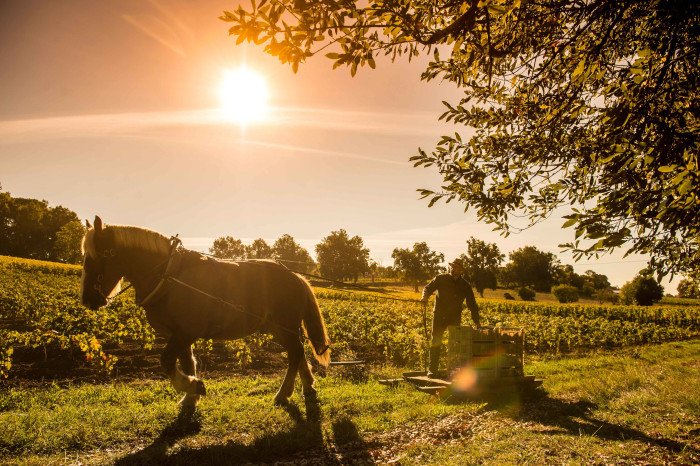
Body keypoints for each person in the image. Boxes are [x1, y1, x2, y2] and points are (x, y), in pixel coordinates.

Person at [420, 258, 481, 377]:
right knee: (435, 343)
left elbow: (472, 305)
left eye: (456, 267)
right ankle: (432, 371)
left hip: (454, 318)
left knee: (455, 345)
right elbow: (427, 288)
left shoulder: (465, 286)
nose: (453, 269)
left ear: (461, 270)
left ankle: (454, 370)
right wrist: (425, 297)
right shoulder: (440, 278)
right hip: (439, 316)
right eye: (452, 267)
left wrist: (477, 321)